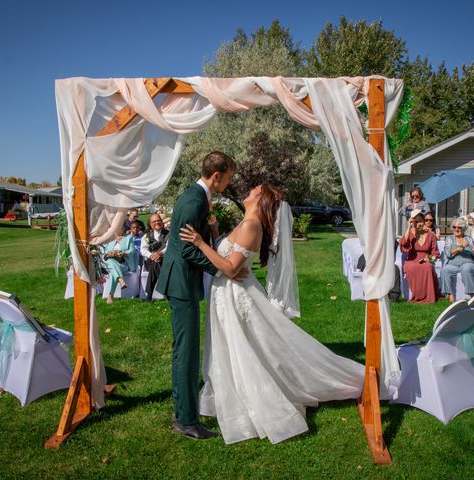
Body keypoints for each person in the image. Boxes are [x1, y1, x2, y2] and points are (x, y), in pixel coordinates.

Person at [179, 183, 364, 445]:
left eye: (253, 191)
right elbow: (229, 253)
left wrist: (199, 243)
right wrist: (215, 232)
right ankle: (234, 394)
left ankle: (260, 398)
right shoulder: (246, 222)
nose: (247, 192)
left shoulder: (251, 225)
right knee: (238, 347)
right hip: (227, 295)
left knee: (246, 348)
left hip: (236, 295)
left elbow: (230, 269)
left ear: (260, 199)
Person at [155, 151, 237, 440]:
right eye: (228, 177)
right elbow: (188, 248)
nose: (229, 182)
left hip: (182, 282)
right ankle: (187, 420)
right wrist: (220, 268)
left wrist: (212, 230)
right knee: (187, 353)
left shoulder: (198, 196)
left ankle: (183, 410)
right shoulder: (194, 200)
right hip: (181, 284)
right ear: (216, 175)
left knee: (184, 350)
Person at [399, 210, 440, 304]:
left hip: (425, 260)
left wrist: (427, 259)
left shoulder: (431, 236)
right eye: (416, 222)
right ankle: (416, 295)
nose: (418, 224)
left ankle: (428, 297)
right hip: (412, 260)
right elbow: (403, 245)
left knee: (428, 267)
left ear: (424, 222)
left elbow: (435, 254)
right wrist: (409, 227)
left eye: (420, 221)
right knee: (411, 267)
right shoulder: (411, 234)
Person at [441, 217, 474, 303]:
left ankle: (471, 294)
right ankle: (450, 295)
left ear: (463, 228)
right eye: (454, 227)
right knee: (445, 270)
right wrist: (458, 248)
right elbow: (447, 253)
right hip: (453, 264)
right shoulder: (449, 238)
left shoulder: (468, 239)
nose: (456, 229)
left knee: (466, 269)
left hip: (467, 262)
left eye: (459, 227)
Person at [140, 213, 169, 301]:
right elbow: (143, 250)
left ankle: (149, 295)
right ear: (150, 224)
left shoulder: (169, 234)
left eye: (158, 220)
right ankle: (167, 292)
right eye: (154, 221)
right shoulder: (146, 236)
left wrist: (160, 254)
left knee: (155, 265)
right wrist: (152, 255)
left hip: (166, 260)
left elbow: (169, 247)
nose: (157, 223)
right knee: (155, 263)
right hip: (150, 261)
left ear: (162, 222)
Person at [102, 232, 135, 305]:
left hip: (123, 264)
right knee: (110, 262)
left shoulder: (128, 238)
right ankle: (120, 280)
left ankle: (111, 295)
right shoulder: (110, 238)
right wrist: (110, 253)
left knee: (112, 270)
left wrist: (122, 253)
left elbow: (132, 251)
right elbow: (104, 251)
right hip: (111, 262)